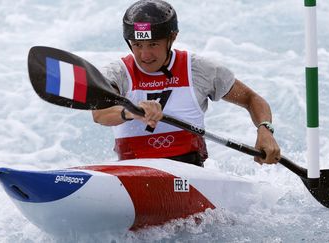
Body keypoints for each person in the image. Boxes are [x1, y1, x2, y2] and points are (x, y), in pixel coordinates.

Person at [92, 0, 280, 167]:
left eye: (153, 44)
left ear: (172, 37)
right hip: (133, 171)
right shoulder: (117, 74)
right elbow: (99, 113)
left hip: (188, 172)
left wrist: (265, 130)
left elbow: (251, 99)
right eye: (138, 45)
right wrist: (131, 111)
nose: (145, 55)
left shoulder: (199, 70)